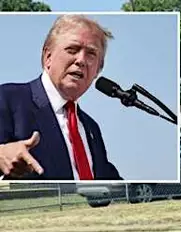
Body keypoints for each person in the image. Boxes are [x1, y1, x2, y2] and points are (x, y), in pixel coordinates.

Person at [0, 14, 121, 180]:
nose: (81, 60)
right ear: (47, 57)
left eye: (91, 54)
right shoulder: (8, 99)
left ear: (97, 71)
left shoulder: (91, 128)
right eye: (72, 50)